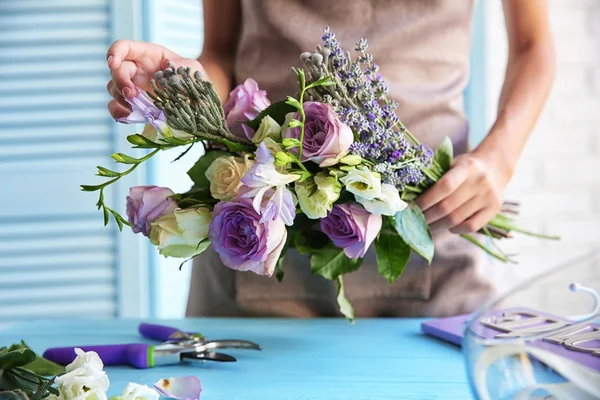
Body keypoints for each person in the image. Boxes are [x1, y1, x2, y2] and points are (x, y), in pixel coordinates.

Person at [106, 0, 555, 318]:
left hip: (432, 231)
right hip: (259, 232)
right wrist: (190, 90)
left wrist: (498, 160)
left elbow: (534, 46)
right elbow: (222, 50)